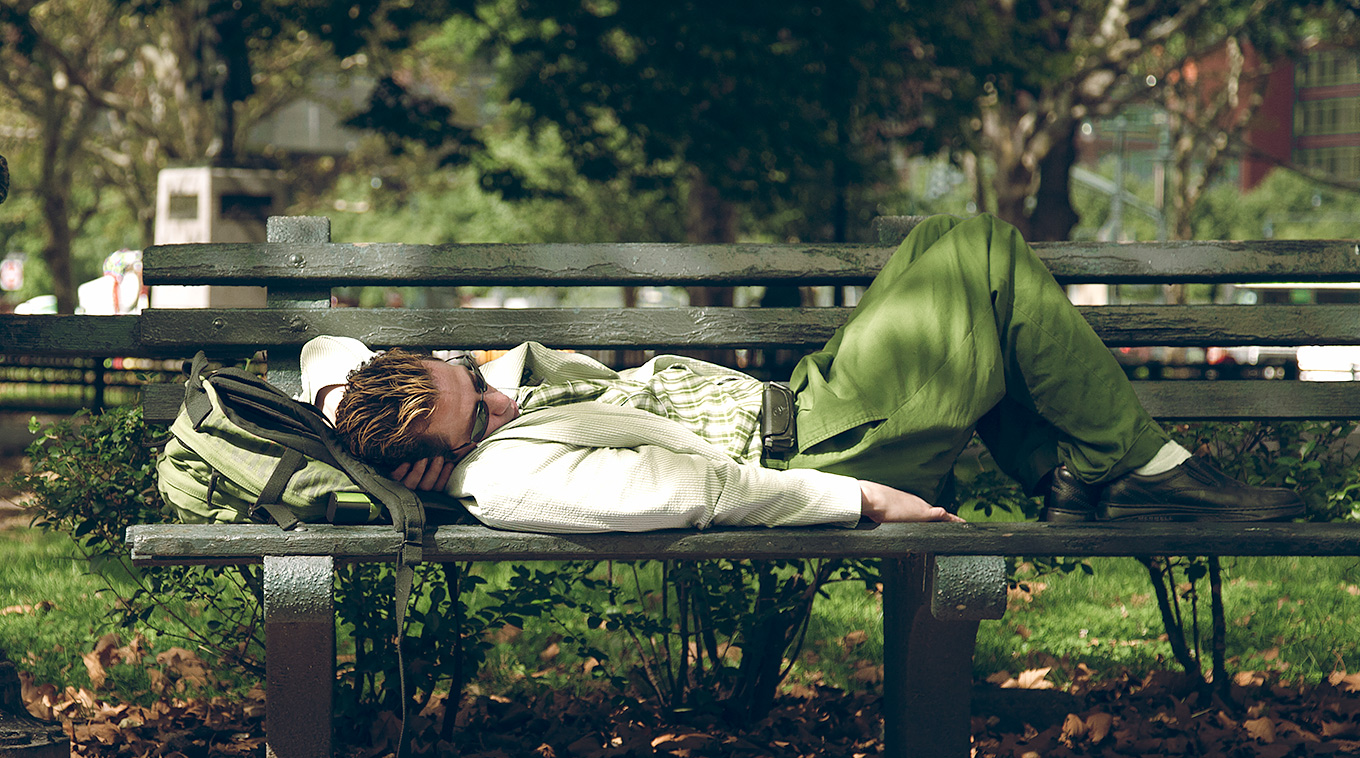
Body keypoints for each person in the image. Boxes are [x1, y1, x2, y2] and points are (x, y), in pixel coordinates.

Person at [304, 215, 1303, 533]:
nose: (496, 393)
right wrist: (858, 498)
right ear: (436, 467)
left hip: (810, 397)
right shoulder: (507, 474)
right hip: (823, 441)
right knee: (978, 255)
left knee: (954, 248)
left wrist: (329, 403)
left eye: (470, 371)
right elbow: (694, 489)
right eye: (477, 412)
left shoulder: (459, 407)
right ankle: (1134, 469)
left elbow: (328, 357)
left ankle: (1076, 476)